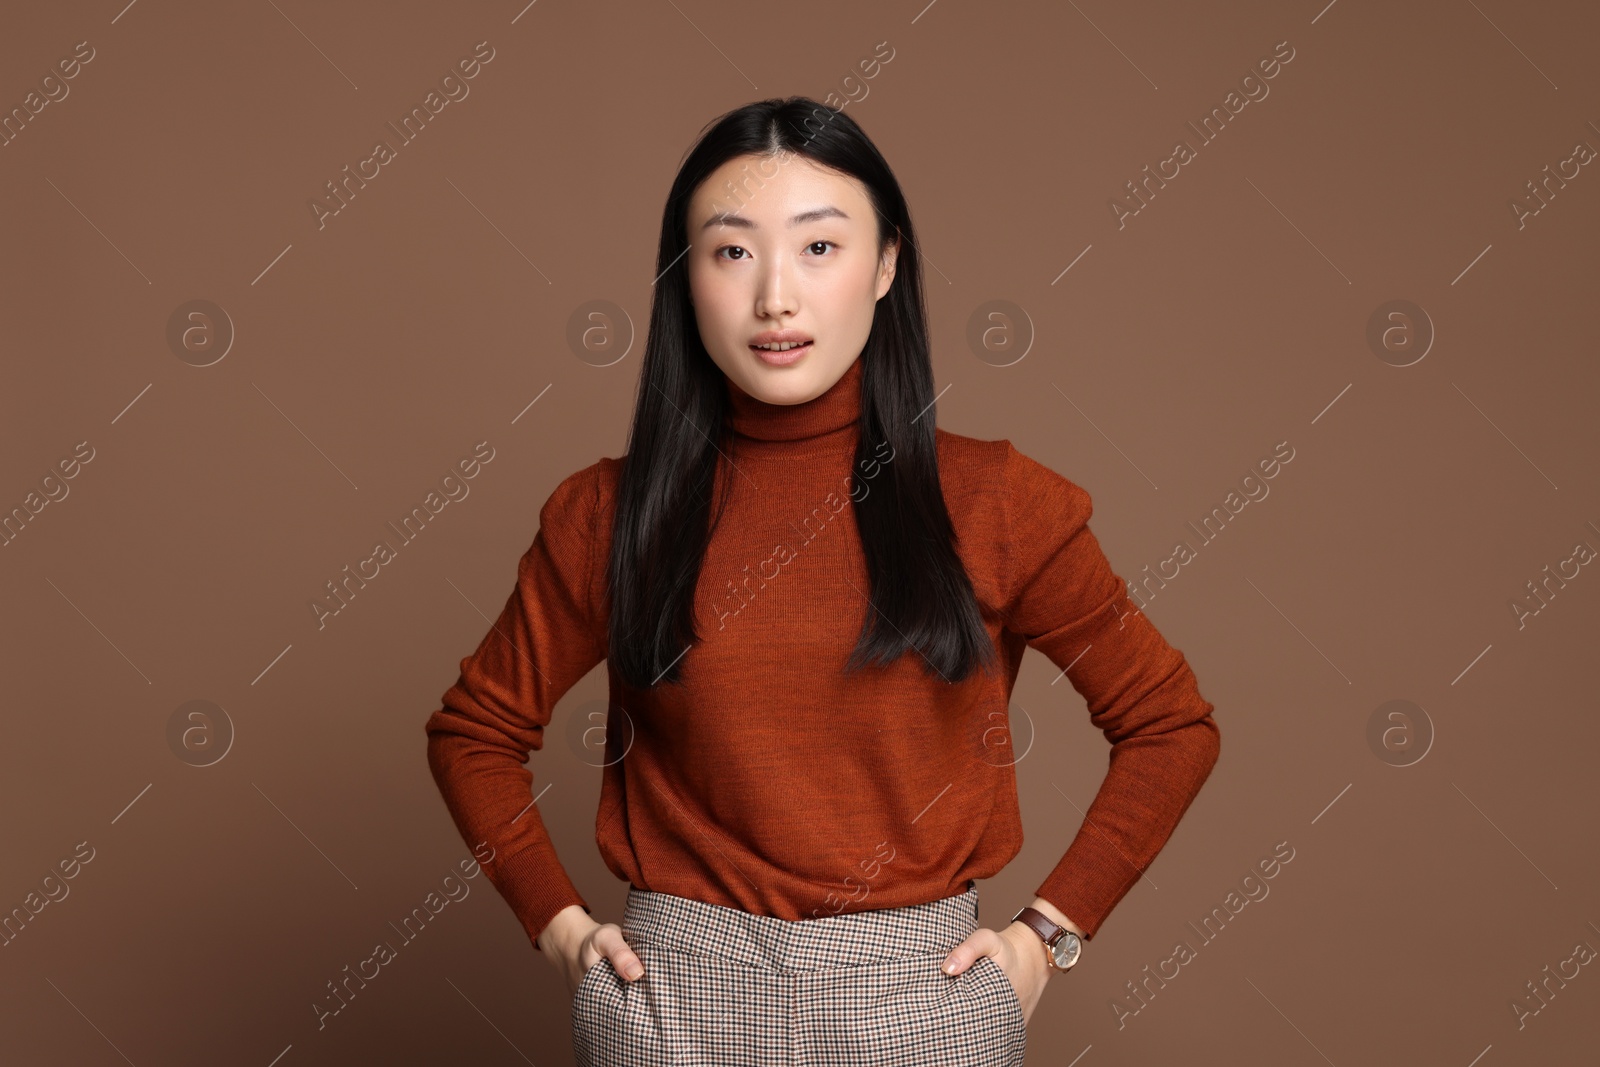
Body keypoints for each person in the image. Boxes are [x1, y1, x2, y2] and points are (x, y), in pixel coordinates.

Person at [423, 96, 1220, 1067]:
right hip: (674, 999)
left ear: (885, 265)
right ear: (685, 278)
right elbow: (476, 729)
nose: (774, 297)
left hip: (920, 999)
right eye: (730, 251)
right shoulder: (608, 512)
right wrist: (558, 925)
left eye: (817, 247)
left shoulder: (996, 500)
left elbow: (1169, 723)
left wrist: (1046, 934)